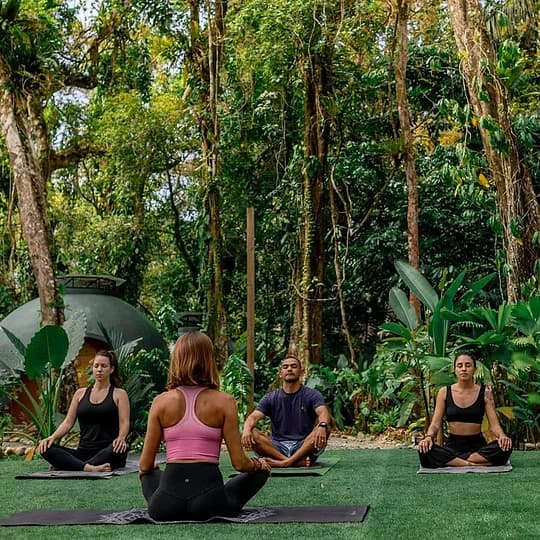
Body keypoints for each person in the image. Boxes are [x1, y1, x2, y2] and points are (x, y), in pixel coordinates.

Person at [138, 331, 271, 522]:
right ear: (209, 359)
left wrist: (155, 471)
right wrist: (259, 464)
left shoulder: (160, 402)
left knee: (150, 471)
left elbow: (144, 465)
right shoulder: (224, 401)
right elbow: (240, 464)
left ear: (177, 360)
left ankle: (165, 497)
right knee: (260, 472)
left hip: (164, 506)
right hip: (210, 504)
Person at [37, 350, 130, 472]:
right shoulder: (80, 394)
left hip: (108, 451)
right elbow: (68, 423)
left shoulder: (119, 394)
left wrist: (121, 438)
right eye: (96, 366)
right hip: (82, 452)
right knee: (45, 448)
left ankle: (72, 465)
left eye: (104, 366)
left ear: (111, 369)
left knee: (118, 448)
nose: (99, 369)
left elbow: (124, 422)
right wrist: (52, 437)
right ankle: (88, 467)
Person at [418, 352, 512, 468]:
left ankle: (457, 462)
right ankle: (472, 464)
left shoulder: (485, 393)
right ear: (455, 369)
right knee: (424, 450)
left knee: (505, 447)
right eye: (460, 366)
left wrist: (502, 436)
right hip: (452, 446)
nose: (464, 369)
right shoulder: (444, 392)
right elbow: (435, 424)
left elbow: (494, 426)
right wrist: (428, 437)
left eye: (468, 365)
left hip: (478, 447)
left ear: (474, 369)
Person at [242, 355, 332, 468]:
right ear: (281, 373)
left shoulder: (311, 394)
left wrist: (322, 425)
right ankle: (290, 462)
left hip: (303, 446)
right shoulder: (270, 397)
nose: (289, 369)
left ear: (301, 372)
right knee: (252, 431)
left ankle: (285, 463)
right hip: (276, 448)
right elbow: (253, 417)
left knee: (325, 427)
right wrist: (246, 429)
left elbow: (323, 412)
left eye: (294, 366)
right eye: (285, 367)